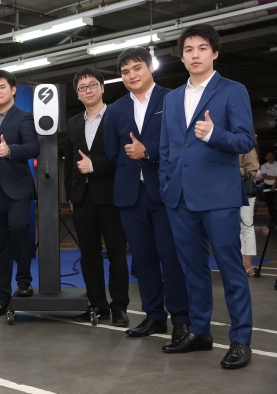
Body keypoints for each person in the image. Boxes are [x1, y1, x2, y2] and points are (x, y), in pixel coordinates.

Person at [159, 23, 254, 369]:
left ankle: (241, 339)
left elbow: (245, 140)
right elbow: (167, 149)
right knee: (192, 269)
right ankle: (200, 332)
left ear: (214, 53)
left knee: (230, 269)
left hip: (218, 197)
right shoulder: (171, 98)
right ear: (182, 57)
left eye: (202, 48)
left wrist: (215, 134)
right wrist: (166, 185)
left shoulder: (232, 90)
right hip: (179, 198)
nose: (195, 54)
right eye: (188, 49)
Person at [104, 47, 190, 341]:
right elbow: (112, 153)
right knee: (143, 259)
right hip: (130, 196)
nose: (132, 75)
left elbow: (182, 143)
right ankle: (154, 316)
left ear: (151, 67)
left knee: (171, 257)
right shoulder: (115, 110)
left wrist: (149, 151)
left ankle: (181, 318)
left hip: (165, 192)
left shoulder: (173, 98)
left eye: (137, 68)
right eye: (125, 72)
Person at [64, 68, 129, 326]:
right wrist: (70, 195)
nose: (88, 90)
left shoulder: (117, 116)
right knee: (88, 254)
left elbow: (124, 155)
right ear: (77, 94)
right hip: (82, 198)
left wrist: (95, 165)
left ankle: (120, 307)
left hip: (112, 196)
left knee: (116, 252)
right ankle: (98, 305)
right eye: (82, 87)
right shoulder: (73, 123)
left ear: (102, 87)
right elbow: (70, 163)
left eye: (92, 85)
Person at [0, 70, 40, 318]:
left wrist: (10, 150)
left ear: (13, 90)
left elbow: (33, 147)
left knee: (19, 227)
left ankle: (24, 281)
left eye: (2, 87)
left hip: (17, 189)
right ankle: (2, 297)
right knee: (0, 244)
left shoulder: (23, 117)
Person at [240, 148, 259, 276]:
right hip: (231, 188)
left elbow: (252, 170)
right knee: (239, 227)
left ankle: (248, 263)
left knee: (247, 225)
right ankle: (242, 261)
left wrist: (231, 169)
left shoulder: (246, 146)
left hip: (245, 188)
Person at [260, 151, 277, 224]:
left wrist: (274, 185)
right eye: (268, 156)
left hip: (275, 185)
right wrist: (275, 177)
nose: (270, 157)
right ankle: (272, 221)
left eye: (271, 155)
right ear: (265, 158)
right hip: (268, 186)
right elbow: (265, 176)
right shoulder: (263, 166)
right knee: (270, 204)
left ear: (274, 156)